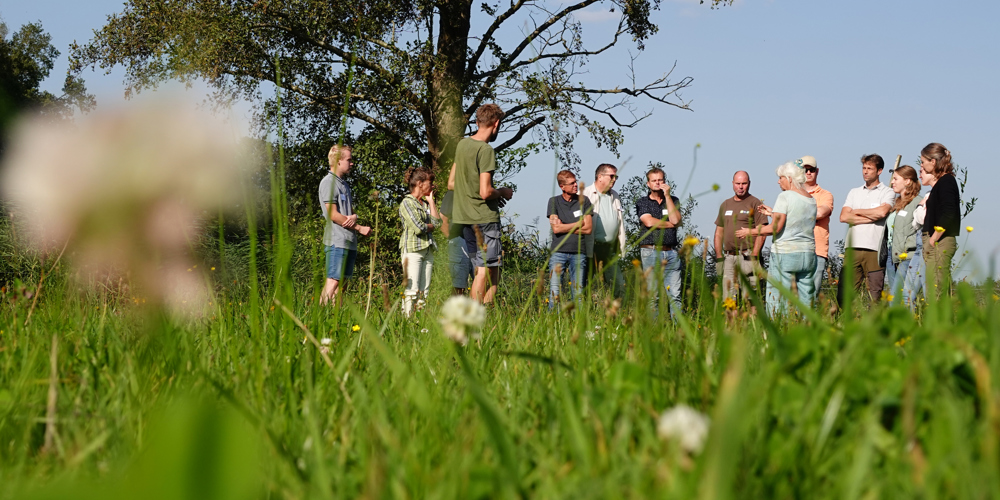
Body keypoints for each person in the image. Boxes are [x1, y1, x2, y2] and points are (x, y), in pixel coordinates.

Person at [449, 104, 513, 304]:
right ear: (496, 124)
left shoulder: (462, 145)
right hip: (484, 220)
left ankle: (483, 313)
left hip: (465, 219)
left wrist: (490, 195)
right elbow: (485, 192)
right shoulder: (486, 150)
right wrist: (503, 192)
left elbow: (451, 183)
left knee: (484, 269)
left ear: (477, 122)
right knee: (486, 271)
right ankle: (471, 316)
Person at [737, 161, 817, 316]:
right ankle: (810, 329)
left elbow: (775, 228)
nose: (778, 181)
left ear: (790, 178)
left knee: (778, 296)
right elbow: (795, 219)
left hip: (785, 253)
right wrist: (773, 213)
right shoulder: (810, 199)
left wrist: (750, 231)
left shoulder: (785, 196)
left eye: (781, 178)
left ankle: (778, 331)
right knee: (807, 297)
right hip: (808, 254)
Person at [838, 154, 894, 305]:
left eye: (870, 168)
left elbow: (882, 213)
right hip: (852, 247)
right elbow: (843, 217)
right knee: (845, 292)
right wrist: (871, 216)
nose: (865, 171)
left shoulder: (887, 192)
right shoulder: (854, 192)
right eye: (864, 168)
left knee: (875, 294)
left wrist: (856, 211)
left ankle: (873, 326)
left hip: (874, 249)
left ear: (879, 171)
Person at [319, 145, 372, 305]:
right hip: (337, 240)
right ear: (337, 161)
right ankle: (318, 317)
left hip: (349, 241)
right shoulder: (328, 183)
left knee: (342, 285)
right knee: (333, 281)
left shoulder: (344, 184)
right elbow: (333, 214)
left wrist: (355, 216)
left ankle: (334, 321)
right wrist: (359, 228)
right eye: (349, 159)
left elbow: (350, 212)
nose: (352, 163)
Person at [635, 167, 682, 318]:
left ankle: (679, 332)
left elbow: (676, 220)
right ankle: (654, 333)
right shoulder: (642, 202)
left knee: (675, 295)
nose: (657, 183)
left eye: (660, 180)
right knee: (652, 296)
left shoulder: (673, 200)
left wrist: (667, 197)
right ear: (648, 184)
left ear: (665, 181)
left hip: (671, 252)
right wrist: (670, 224)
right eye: (654, 180)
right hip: (650, 252)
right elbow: (648, 222)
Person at [714, 171, 767, 302]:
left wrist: (754, 256)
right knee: (729, 298)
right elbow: (719, 232)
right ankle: (731, 323)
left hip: (747, 255)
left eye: (744, 183)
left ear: (749, 184)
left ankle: (753, 322)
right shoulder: (725, 204)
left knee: (750, 298)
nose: (741, 187)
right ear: (733, 184)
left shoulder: (755, 203)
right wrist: (719, 257)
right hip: (729, 257)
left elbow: (763, 231)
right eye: (738, 183)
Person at [919, 143, 961, 299]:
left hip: (940, 241)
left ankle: (938, 323)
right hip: (936, 241)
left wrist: (933, 239)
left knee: (935, 291)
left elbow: (948, 212)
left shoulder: (947, 182)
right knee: (934, 288)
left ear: (933, 162)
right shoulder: (941, 183)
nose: (921, 165)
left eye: (923, 162)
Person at [546, 170, 593, 309]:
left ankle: (577, 325)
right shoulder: (553, 201)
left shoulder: (584, 201)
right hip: (558, 252)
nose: (575, 185)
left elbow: (588, 229)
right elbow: (556, 229)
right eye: (571, 183)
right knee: (555, 292)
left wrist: (563, 226)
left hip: (579, 253)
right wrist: (578, 224)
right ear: (562, 186)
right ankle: (552, 325)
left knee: (578, 294)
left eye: (575, 182)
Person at [398, 167, 441, 316]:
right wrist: (431, 226)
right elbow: (418, 228)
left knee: (424, 290)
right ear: (420, 183)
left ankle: (419, 322)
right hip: (412, 251)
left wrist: (431, 201)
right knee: (412, 289)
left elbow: (438, 223)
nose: (433, 185)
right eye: (431, 182)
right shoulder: (407, 202)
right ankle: (407, 321)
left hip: (427, 250)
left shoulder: (425, 204)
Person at [582, 163, 627, 299]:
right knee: (588, 284)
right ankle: (585, 315)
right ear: (600, 176)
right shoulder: (585, 194)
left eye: (616, 177)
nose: (614, 179)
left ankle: (617, 315)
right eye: (611, 176)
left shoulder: (615, 196)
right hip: (591, 247)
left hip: (610, 248)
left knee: (618, 285)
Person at [885, 165, 921, 306]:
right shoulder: (897, 203)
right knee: (895, 298)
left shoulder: (918, 202)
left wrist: (907, 248)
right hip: (892, 256)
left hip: (907, 257)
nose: (892, 182)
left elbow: (919, 229)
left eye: (895, 179)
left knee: (895, 300)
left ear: (907, 181)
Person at [800, 156, 834, 296]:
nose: (808, 173)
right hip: (796, 248)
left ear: (817, 171)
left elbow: (821, 213)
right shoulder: (790, 194)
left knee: (811, 295)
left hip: (817, 251)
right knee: (794, 296)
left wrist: (797, 214)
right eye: (805, 170)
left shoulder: (826, 195)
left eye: (811, 170)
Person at [440, 189, 473, 295]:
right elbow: (443, 219)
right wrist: (452, 239)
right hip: (459, 241)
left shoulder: (477, 190)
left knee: (482, 280)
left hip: (477, 242)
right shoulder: (453, 192)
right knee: (458, 285)